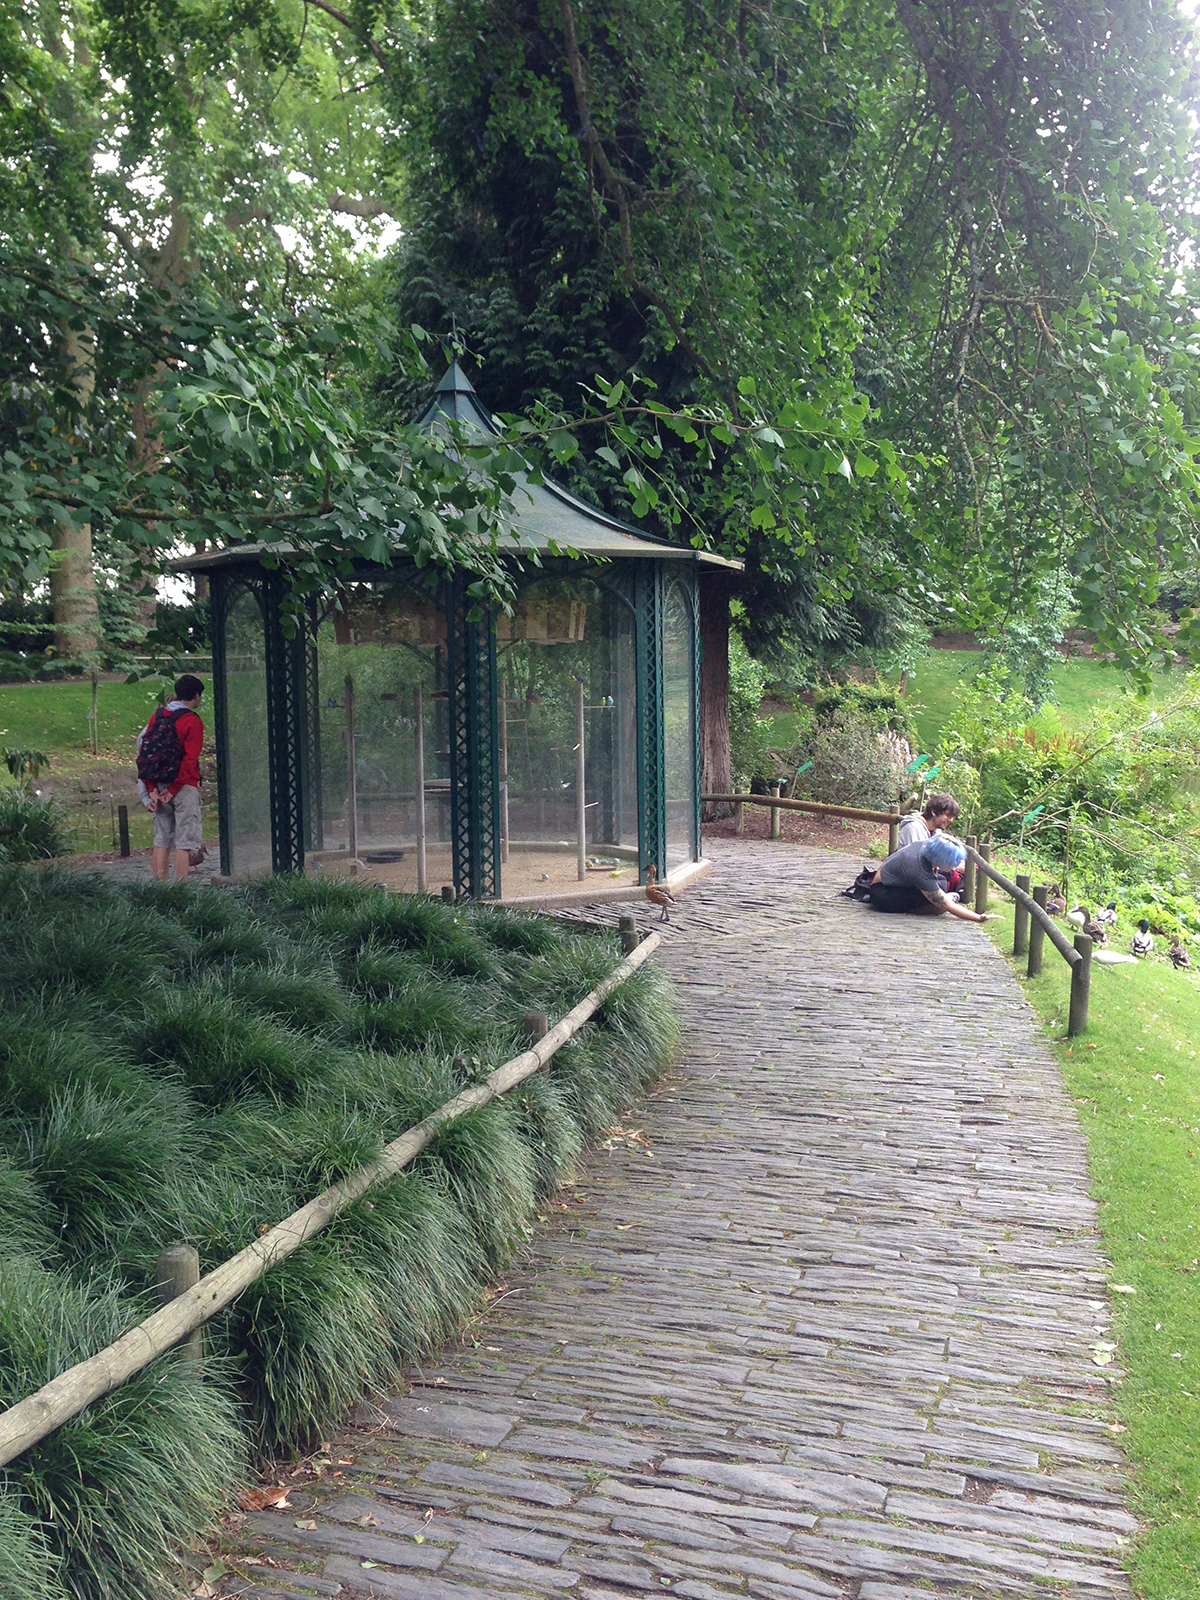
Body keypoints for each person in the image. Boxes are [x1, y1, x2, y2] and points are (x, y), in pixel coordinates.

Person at [137, 674, 205, 884]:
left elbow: (146, 752)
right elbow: (189, 759)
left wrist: (151, 789)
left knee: (162, 839)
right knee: (183, 842)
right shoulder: (192, 721)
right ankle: (181, 890)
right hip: (183, 786)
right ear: (195, 696)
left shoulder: (157, 716)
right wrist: (174, 789)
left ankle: (161, 888)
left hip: (157, 785)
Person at [868, 833, 993, 923]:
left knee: (942, 882)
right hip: (883, 893)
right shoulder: (919, 870)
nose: (954, 866)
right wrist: (978, 917)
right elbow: (948, 906)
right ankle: (919, 909)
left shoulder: (924, 847)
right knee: (940, 905)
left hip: (896, 882)